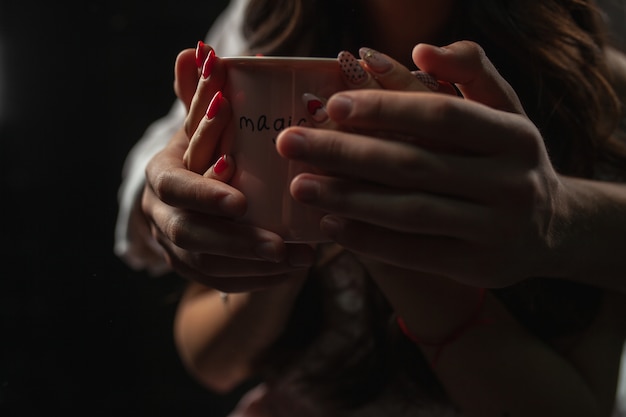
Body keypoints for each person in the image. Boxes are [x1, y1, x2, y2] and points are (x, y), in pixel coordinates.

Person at [115, 0, 626, 415]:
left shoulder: (584, 89)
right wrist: (273, 242)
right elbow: (212, 358)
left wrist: (386, 238)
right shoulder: (273, 36)